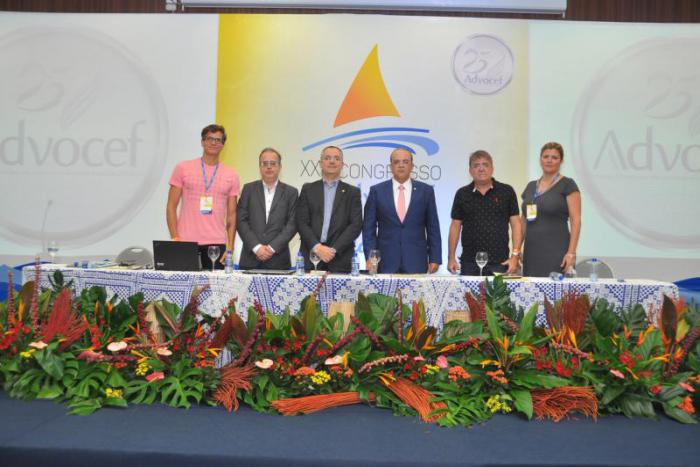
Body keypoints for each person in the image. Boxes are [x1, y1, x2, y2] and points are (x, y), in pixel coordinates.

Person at [166, 124, 240, 270]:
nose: (214, 143)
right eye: (210, 139)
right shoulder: (183, 168)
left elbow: (232, 215)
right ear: (202, 142)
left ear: (223, 145)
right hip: (185, 242)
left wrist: (230, 248)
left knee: (215, 285)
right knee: (185, 285)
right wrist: (175, 239)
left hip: (216, 245)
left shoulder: (231, 175)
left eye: (218, 140)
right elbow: (171, 207)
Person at [362, 148, 441, 273]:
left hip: (416, 260)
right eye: (396, 162)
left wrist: (435, 258)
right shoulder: (377, 191)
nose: (401, 165)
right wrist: (370, 257)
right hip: (385, 261)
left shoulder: (426, 191)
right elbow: (368, 229)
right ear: (390, 167)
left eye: (405, 162)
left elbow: (433, 227)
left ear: (412, 166)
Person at [448, 150, 522, 276]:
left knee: (498, 291)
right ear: (470, 171)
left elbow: (516, 224)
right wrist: (451, 258)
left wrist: (515, 256)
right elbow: (455, 226)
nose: (481, 169)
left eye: (485, 165)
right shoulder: (462, 194)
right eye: (476, 165)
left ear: (492, 169)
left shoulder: (506, 191)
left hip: (500, 262)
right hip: (469, 263)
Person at [295, 146, 362, 273]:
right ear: (320, 163)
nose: (332, 161)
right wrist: (317, 247)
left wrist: (333, 250)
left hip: (340, 258)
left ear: (342, 164)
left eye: (336, 158)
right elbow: (301, 222)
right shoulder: (308, 189)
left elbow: (355, 225)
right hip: (311, 257)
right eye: (327, 158)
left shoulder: (353, 192)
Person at [520, 142, 581, 277]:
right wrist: (516, 250)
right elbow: (523, 221)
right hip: (531, 252)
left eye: (554, 157)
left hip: (557, 253)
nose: (549, 160)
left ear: (561, 161)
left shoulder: (568, 184)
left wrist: (571, 252)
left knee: (555, 290)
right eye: (546, 156)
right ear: (540, 159)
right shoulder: (531, 186)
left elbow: (576, 220)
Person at [237, 147, 299, 270]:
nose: (269, 167)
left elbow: (292, 224)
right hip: (250, 258)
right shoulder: (248, 189)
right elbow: (241, 220)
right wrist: (256, 247)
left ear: (280, 167)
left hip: (279, 260)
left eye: (273, 163)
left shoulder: (291, 192)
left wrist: (271, 248)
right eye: (264, 164)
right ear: (259, 167)